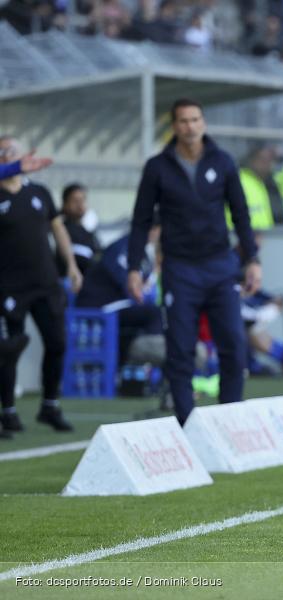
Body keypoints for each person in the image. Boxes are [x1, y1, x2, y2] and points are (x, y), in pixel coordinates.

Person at [127, 98, 261, 425]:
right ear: (174, 126)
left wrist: (252, 260)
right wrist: (133, 268)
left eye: (196, 119)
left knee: (234, 344)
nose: (190, 126)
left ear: (203, 123)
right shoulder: (157, 167)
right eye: (183, 121)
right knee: (181, 349)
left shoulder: (223, 161)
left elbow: (240, 214)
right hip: (180, 269)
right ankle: (187, 423)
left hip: (220, 266)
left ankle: (232, 417)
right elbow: (141, 221)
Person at [0, 135, 81, 434]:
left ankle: (50, 405)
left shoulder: (40, 193)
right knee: (9, 349)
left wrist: (71, 265)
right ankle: (7, 411)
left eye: (12, 150)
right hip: (9, 287)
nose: (7, 155)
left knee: (57, 342)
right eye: (2, 151)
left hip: (45, 283)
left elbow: (58, 230)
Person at [77, 224, 163, 363]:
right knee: (153, 313)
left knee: (156, 312)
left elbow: (145, 291)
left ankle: (135, 367)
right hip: (100, 305)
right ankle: (146, 361)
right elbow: (130, 288)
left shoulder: (145, 253)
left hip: (120, 304)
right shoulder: (123, 246)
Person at [238, 146, 283, 230]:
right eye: (261, 159)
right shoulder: (241, 180)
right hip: (258, 236)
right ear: (252, 160)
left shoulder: (277, 180)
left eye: (269, 159)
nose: (265, 163)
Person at [57, 183, 101, 277]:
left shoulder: (88, 232)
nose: (80, 205)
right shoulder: (60, 230)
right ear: (65, 204)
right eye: (75, 201)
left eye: (82, 200)